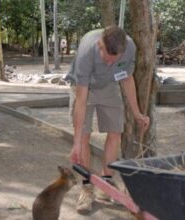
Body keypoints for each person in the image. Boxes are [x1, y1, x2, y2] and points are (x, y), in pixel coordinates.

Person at [65, 25, 151, 214]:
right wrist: (76, 142)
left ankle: (106, 182)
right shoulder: (87, 51)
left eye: (115, 60)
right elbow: (81, 100)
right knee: (84, 136)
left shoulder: (129, 47)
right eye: (106, 58)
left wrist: (137, 113)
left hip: (109, 88)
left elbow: (127, 78)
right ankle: (87, 186)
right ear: (100, 45)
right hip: (83, 89)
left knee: (115, 132)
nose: (110, 63)